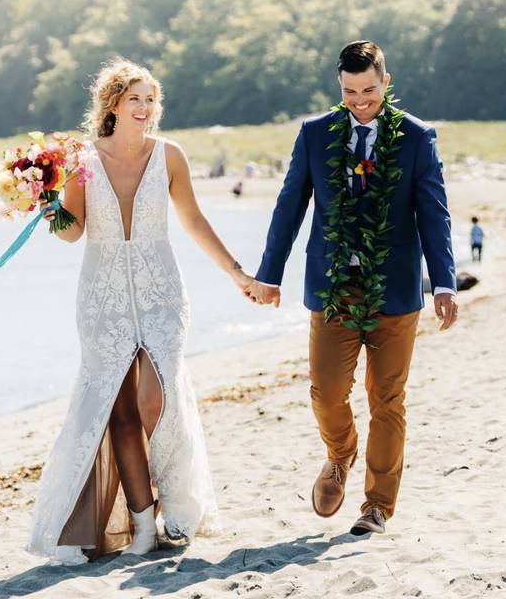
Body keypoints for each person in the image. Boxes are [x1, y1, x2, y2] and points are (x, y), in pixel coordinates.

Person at [28, 59, 252, 564]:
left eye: (151, 100)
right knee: (119, 412)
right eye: (135, 99)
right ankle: (143, 524)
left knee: (157, 397)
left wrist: (237, 273)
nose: (145, 108)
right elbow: (72, 232)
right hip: (101, 297)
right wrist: (46, 204)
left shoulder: (170, 155)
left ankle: (173, 500)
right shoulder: (83, 161)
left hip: (162, 293)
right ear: (112, 104)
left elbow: (193, 220)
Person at [246, 41, 458, 536]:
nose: (360, 101)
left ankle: (377, 506)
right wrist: (269, 275)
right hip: (333, 287)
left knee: (388, 399)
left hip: (396, 289)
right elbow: (289, 207)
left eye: (368, 90)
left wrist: (444, 283)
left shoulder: (417, 137)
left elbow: (434, 214)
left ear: (386, 82)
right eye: (349, 91)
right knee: (326, 392)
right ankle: (340, 453)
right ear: (339, 86)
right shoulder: (315, 134)